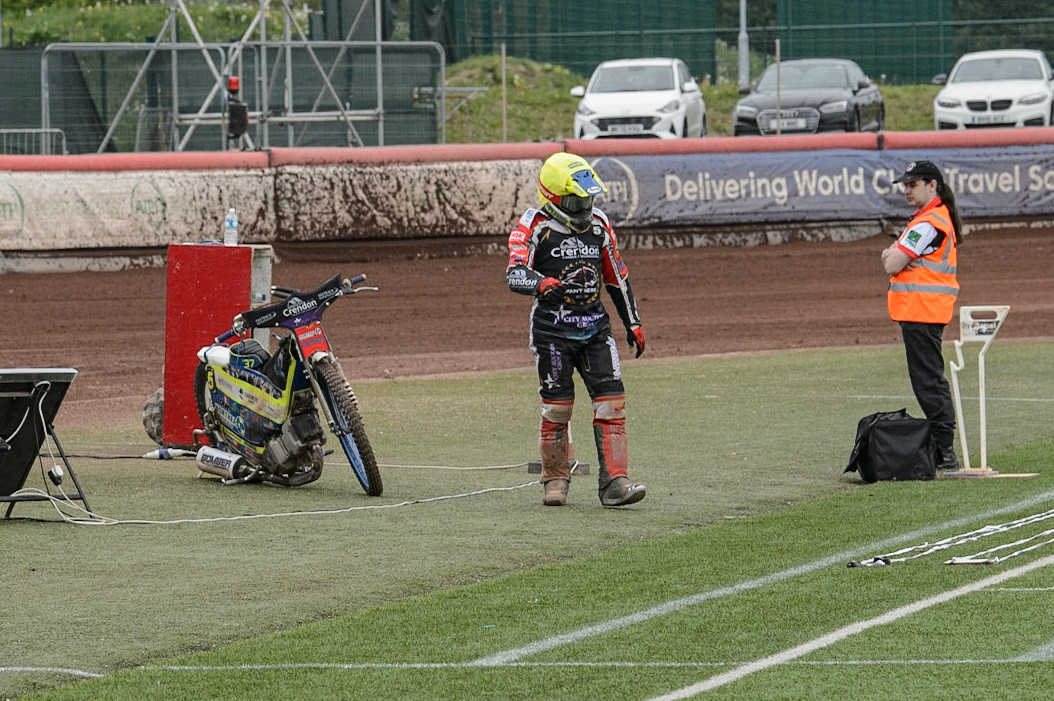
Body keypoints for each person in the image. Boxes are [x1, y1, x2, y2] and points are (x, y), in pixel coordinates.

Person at [506, 151, 647, 507]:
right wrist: (539, 282)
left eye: (588, 197)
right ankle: (555, 480)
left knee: (612, 404)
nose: (584, 205)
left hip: (596, 329)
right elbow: (514, 272)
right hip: (552, 332)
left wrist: (632, 322)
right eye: (575, 199)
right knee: (557, 408)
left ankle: (615, 483)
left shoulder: (599, 224)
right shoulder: (533, 225)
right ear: (553, 199)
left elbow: (617, 276)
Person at [881, 160, 964, 470]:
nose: (907, 190)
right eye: (905, 185)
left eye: (913, 184)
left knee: (928, 382)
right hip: (923, 310)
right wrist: (894, 254)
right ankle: (943, 448)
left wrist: (892, 253)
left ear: (933, 186)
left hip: (922, 311)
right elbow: (896, 258)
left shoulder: (929, 222)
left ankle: (945, 451)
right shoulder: (929, 219)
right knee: (929, 380)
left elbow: (892, 262)